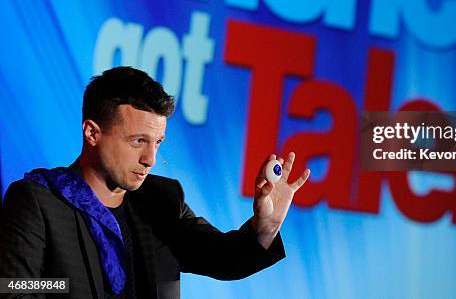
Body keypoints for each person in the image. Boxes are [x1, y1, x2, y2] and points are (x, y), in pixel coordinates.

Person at [0, 67, 310, 298]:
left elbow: (223, 258)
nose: (150, 158)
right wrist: (64, 283)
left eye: (158, 142)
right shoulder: (38, 200)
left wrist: (265, 227)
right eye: (138, 141)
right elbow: (13, 287)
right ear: (92, 133)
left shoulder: (161, 199)